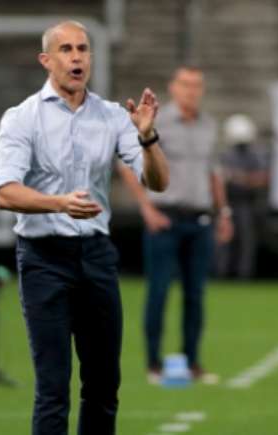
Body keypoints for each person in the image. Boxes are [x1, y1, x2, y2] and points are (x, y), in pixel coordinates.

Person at [0, 20, 169, 435]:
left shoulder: (111, 116)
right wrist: (58, 203)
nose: (77, 57)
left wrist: (147, 137)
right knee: (53, 388)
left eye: (83, 49)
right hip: (43, 260)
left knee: (104, 385)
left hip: (96, 258)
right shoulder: (22, 118)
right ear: (46, 60)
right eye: (67, 49)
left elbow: (158, 182)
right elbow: (4, 192)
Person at [117, 66, 232, 385]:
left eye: (196, 85)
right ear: (173, 87)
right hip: (165, 218)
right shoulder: (158, 121)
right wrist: (146, 209)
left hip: (199, 218)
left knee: (196, 294)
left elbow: (214, 172)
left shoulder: (209, 125)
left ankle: (193, 362)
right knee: (159, 292)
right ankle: (153, 364)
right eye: (185, 84)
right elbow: (128, 164)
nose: (191, 90)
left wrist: (224, 212)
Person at [218, 114, 270, 279]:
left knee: (246, 240)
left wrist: (238, 177)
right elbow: (220, 177)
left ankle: (243, 275)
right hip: (227, 203)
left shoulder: (255, 155)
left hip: (246, 203)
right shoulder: (226, 155)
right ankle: (221, 273)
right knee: (224, 240)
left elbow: (261, 179)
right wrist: (244, 178)